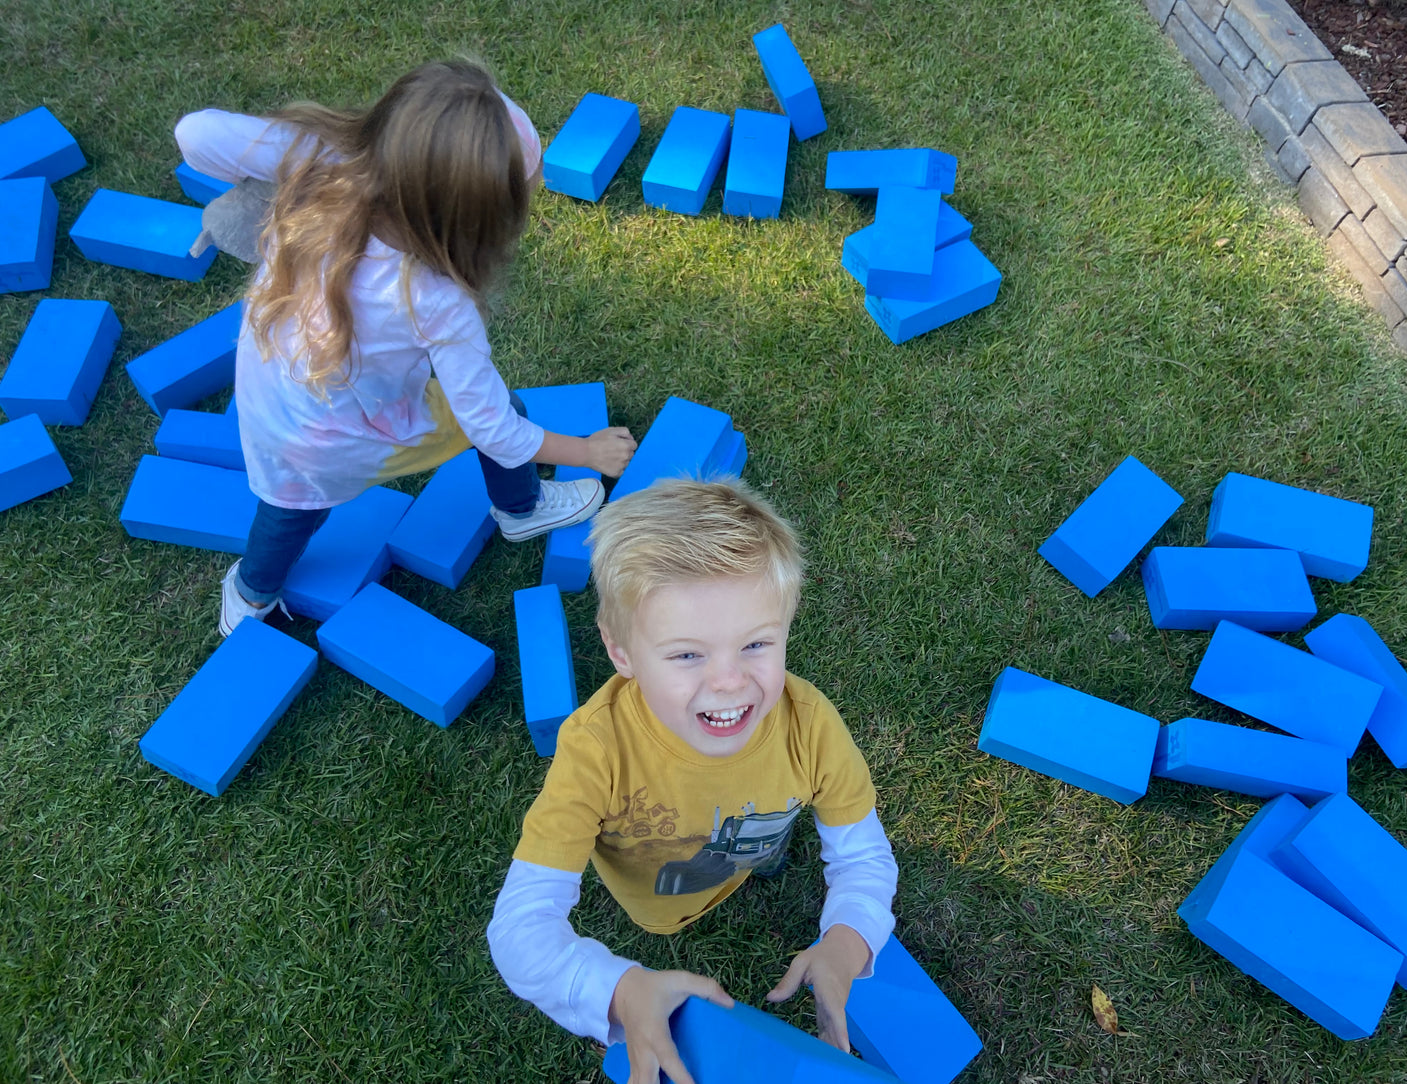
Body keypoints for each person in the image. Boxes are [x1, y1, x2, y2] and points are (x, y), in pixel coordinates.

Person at [173, 60, 636, 636]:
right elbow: (492, 427)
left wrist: (317, 145)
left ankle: (249, 597)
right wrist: (588, 452)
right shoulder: (437, 301)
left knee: (289, 506)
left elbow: (194, 133)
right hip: (338, 436)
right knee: (505, 413)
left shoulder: (328, 164)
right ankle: (522, 509)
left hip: (271, 394)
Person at [487, 478, 898, 1084]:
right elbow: (520, 929)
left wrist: (846, 942)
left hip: (749, 852)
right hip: (655, 905)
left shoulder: (810, 726)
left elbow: (864, 855)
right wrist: (619, 990)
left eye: (756, 644)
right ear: (621, 652)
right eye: (687, 655)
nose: (730, 682)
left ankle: (763, 857)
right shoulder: (595, 750)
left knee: (759, 848)